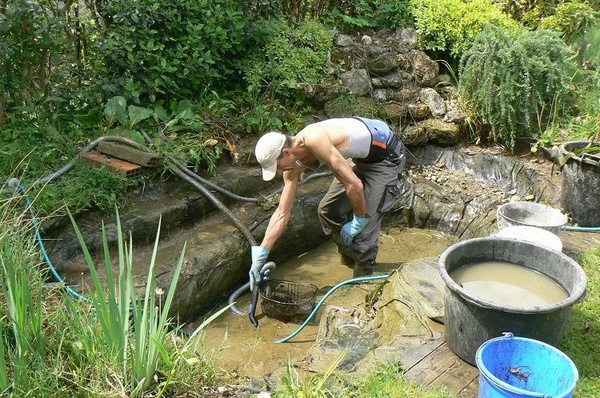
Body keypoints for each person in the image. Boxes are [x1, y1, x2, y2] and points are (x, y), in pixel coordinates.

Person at [249, 116, 406, 289]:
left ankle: (361, 285)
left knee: (365, 231)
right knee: (327, 211)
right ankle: (352, 256)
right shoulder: (292, 164)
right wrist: (262, 252)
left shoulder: (315, 139)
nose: (280, 171)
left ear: (286, 152)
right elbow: (282, 213)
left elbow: (355, 185)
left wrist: (359, 221)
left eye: (277, 166)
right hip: (359, 157)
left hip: (386, 157)